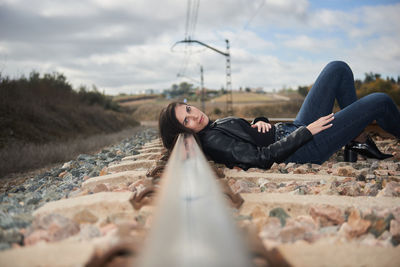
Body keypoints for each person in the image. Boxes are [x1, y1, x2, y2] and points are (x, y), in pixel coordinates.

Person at [159, 61, 400, 170]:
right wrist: (307, 131)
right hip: (304, 147)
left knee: (337, 69)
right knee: (380, 101)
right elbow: (262, 158)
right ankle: (357, 140)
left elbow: (245, 135)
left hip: (294, 129)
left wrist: (259, 120)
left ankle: (356, 140)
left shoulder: (213, 127)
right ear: (183, 131)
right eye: (186, 121)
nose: (194, 116)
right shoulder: (211, 140)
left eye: (188, 109)